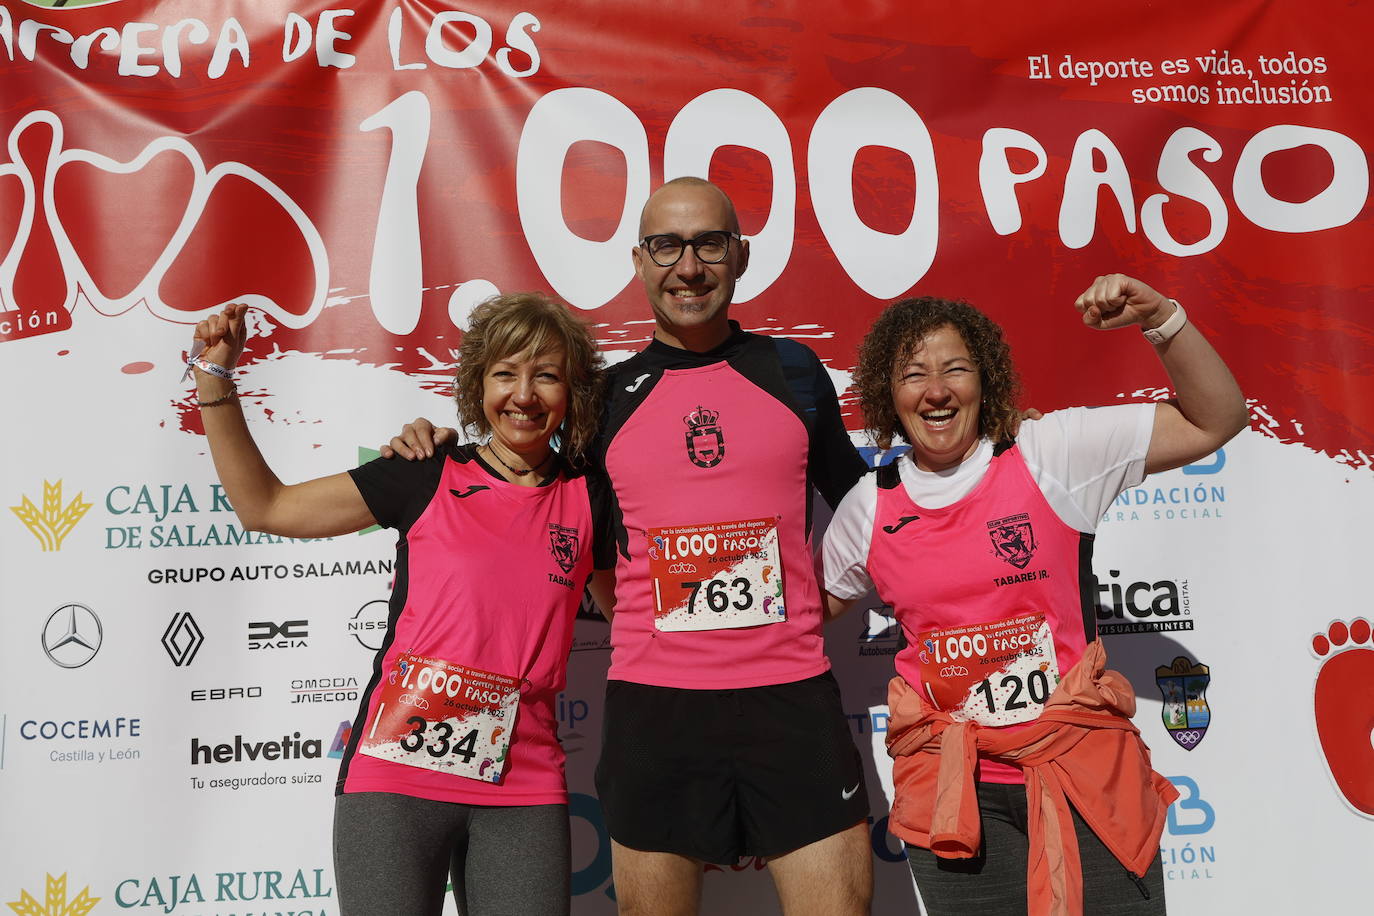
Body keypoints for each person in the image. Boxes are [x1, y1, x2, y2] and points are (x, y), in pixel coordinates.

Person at [385, 177, 874, 915]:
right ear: (640, 261)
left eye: (709, 243)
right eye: (667, 246)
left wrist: (983, 451)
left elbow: (870, 505)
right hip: (657, 715)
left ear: (739, 255)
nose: (689, 266)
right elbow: (553, 519)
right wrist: (438, 449)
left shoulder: (795, 373)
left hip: (792, 704)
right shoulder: (606, 399)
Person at [821, 275, 1248, 915]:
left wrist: (1162, 319)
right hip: (952, 792)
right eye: (913, 374)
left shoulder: (1053, 453)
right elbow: (801, 613)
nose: (936, 390)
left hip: (1083, 778)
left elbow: (1217, 419)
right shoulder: (868, 507)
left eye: (955, 369)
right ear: (889, 394)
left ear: (985, 380)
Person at [188, 293, 608, 916]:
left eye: (546, 375)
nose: (524, 394)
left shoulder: (591, 498)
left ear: (573, 392)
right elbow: (266, 506)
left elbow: (643, 622)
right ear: (476, 385)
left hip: (523, 787)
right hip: (394, 780)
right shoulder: (424, 470)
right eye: (504, 373)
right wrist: (214, 378)